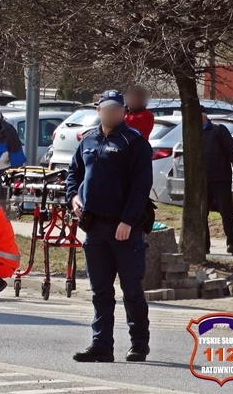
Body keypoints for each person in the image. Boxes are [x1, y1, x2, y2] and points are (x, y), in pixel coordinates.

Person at [66, 89, 152, 363]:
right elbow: (74, 173)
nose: (112, 113)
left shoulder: (133, 141)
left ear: (123, 111)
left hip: (125, 227)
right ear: (98, 110)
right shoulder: (88, 139)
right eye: (107, 109)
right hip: (95, 227)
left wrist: (127, 220)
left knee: (132, 289)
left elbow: (141, 186)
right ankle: (101, 345)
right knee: (100, 290)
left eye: (117, 109)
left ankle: (139, 343)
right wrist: (74, 197)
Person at [202, 114, 233, 255]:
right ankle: (204, 245)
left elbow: (232, 149)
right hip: (202, 180)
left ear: (205, 116)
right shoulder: (193, 133)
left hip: (221, 178)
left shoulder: (218, 130)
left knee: (226, 211)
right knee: (201, 213)